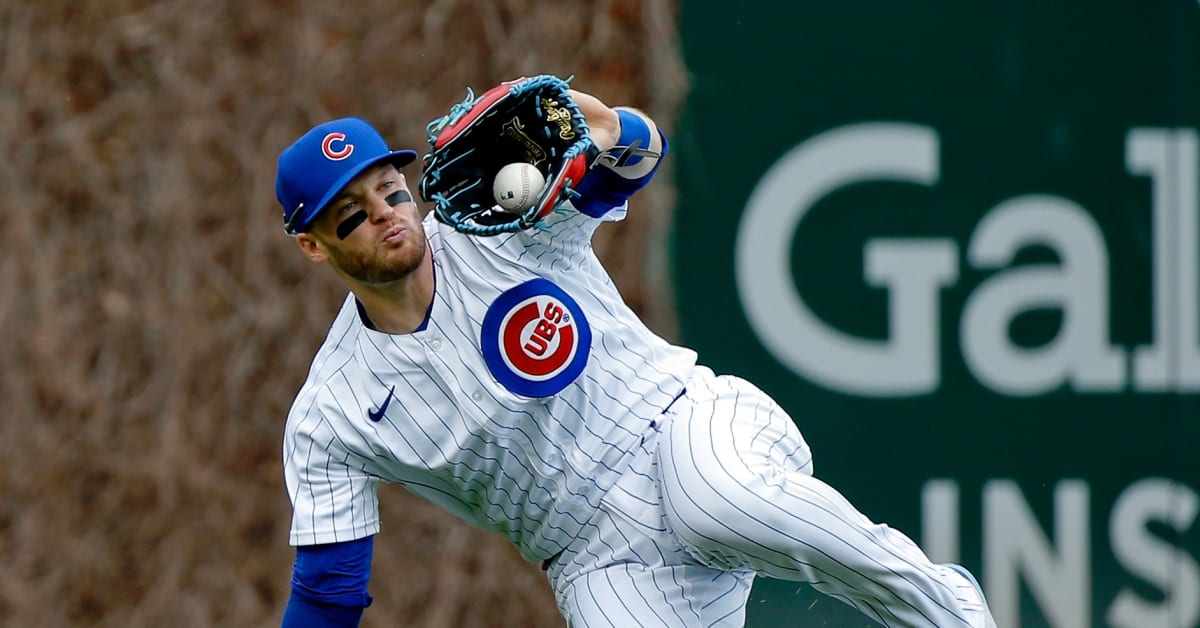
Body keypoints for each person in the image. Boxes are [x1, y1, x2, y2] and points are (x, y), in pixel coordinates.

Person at [273, 81, 997, 627]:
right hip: (592, 557)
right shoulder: (332, 416)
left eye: (390, 191)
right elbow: (329, 589)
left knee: (718, 501)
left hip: (681, 429)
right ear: (313, 246)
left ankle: (950, 610)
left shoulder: (492, 228)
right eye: (352, 215)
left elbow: (636, 161)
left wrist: (608, 124)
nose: (384, 216)